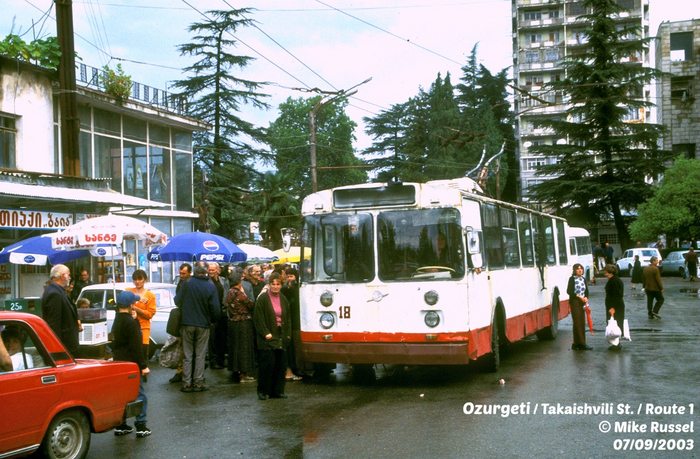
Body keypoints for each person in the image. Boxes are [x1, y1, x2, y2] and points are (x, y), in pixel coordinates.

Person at [174, 261, 220, 393]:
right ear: (206, 271)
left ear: (194, 270)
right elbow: (216, 308)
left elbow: (177, 301)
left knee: (187, 355)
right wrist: (212, 320)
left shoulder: (187, 283)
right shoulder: (210, 285)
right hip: (203, 324)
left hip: (187, 323)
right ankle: (198, 381)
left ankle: (187, 383)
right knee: (200, 355)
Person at [112, 291, 151, 438]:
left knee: (122, 394)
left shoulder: (117, 319)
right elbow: (136, 347)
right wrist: (143, 366)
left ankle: (120, 425)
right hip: (131, 363)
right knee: (140, 394)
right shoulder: (131, 323)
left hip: (118, 361)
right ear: (131, 305)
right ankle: (141, 425)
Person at [253, 272, 291, 400]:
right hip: (268, 336)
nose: (275, 286)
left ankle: (278, 391)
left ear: (281, 285)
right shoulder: (263, 298)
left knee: (280, 365)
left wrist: (288, 335)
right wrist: (265, 333)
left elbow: (288, 318)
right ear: (269, 284)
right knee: (267, 365)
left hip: (281, 335)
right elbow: (258, 318)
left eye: (278, 284)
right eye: (273, 284)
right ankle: (263, 391)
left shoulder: (283, 299)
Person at [41, 264, 80, 356]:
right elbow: (54, 324)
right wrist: (58, 350)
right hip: (64, 347)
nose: (70, 278)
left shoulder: (58, 291)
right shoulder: (54, 294)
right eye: (68, 275)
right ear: (63, 276)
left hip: (66, 346)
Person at [225, 272, 256, 383]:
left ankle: (235, 372)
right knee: (244, 348)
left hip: (232, 322)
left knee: (235, 348)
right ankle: (244, 374)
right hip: (243, 323)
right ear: (239, 282)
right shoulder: (240, 293)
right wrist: (244, 293)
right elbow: (251, 305)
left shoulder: (229, 292)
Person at [126, 270, 157, 362]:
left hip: (143, 329)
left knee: (141, 359)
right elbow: (122, 304)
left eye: (140, 279)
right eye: (135, 279)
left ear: (145, 280)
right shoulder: (128, 291)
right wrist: (138, 299)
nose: (137, 282)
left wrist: (135, 308)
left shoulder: (150, 296)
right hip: (129, 329)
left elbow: (150, 314)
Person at [169, 263, 192, 384]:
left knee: (185, 347)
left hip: (188, 319)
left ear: (190, 273)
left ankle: (183, 371)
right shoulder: (180, 283)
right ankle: (181, 370)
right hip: (183, 318)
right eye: (180, 273)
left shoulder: (190, 284)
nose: (181, 275)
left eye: (184, 273)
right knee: (181, 346)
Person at [282, 267, 304, 380]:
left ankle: (300, 369)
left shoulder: (297, 289)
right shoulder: (285, 289)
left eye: (291, 276)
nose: (289, 278)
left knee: (297, 346)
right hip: (290, 321)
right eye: (288, 276)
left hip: (296, 321)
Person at [207, 262, 230, 370]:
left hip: (222, 313)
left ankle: (221, 359)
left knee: (222, 338)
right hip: (212, 315)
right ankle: (213, 361)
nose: (211, 272)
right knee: (213, 340)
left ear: (218, 270)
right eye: (209, 270)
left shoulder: (223, 280)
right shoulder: (206, 281)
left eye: (213, 270)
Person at [566, 263, 591, 351]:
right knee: (577, 322)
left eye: (581, 268)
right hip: (575, 302)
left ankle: (576, 343)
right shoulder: (572, 279)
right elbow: (569, 291)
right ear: (574, 270)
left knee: (582, 322)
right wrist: (579, 297)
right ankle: (581, 343)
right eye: (578, 269)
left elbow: (586, 291)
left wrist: (586, 297)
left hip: (582, 302)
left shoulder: (583, 279)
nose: (580, 270)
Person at [603, 264, 625, 351]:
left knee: (615, 324)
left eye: (606, 273)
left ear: (611, 273)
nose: (605, 275)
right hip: (617, 305)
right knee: (616, 323)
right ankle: (616, 343)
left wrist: (613, 307)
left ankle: (617, 344)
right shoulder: (615, 280)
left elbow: (616, 295)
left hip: (615, 306)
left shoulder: (614, 281)